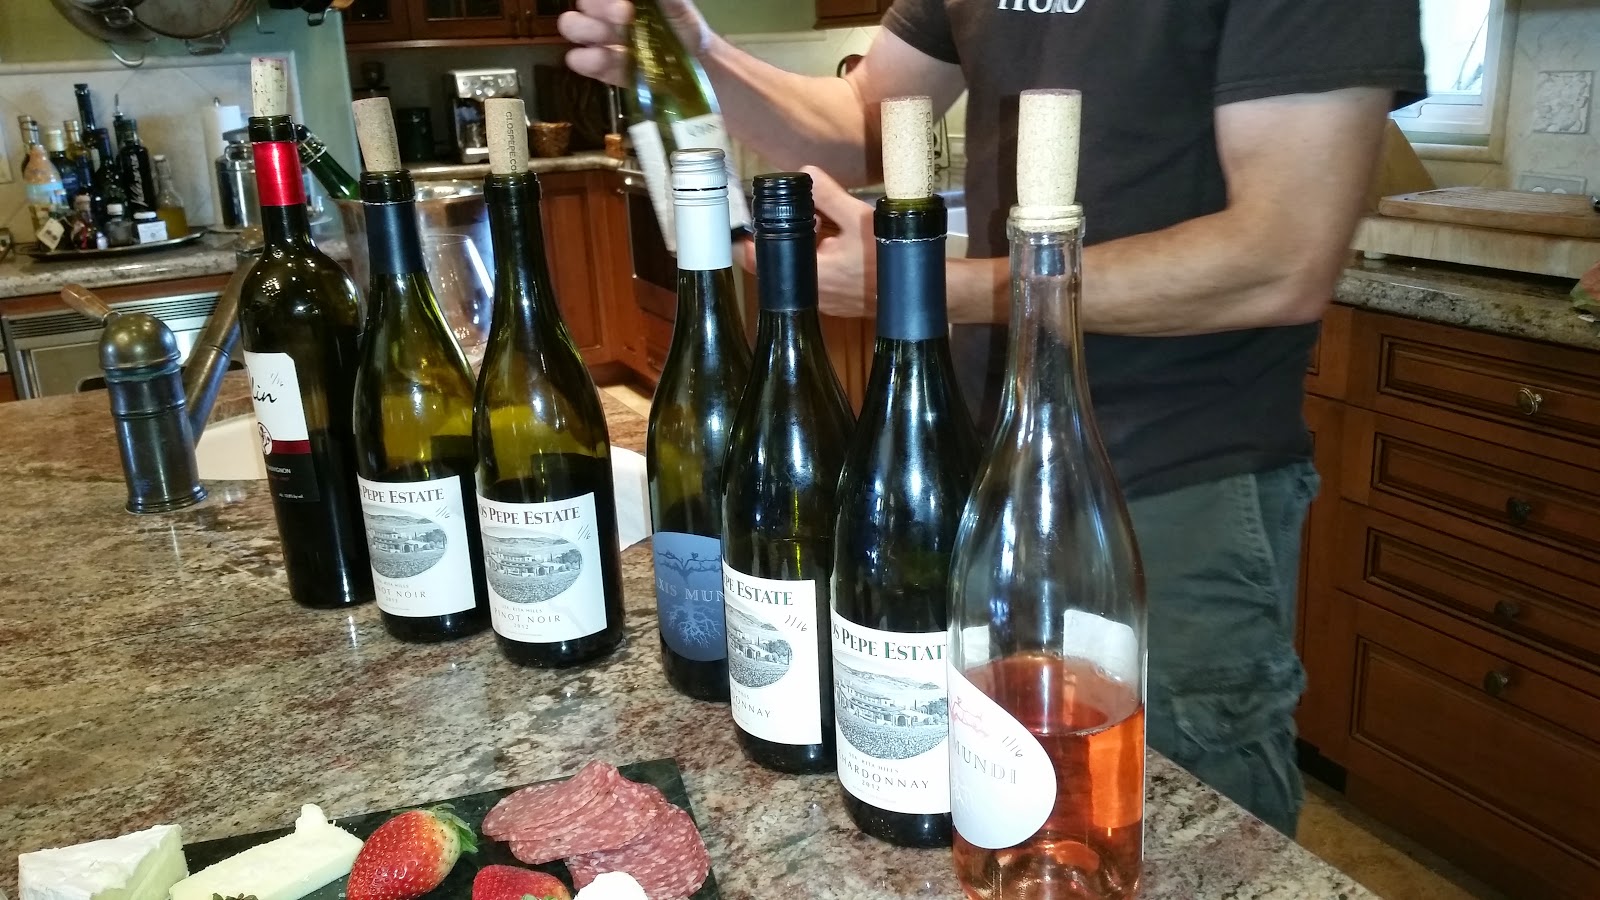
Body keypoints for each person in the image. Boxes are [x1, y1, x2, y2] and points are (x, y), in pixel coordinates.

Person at [561, 0, 1424, 836]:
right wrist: (701, 52)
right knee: (991, 798)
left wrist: (930, 285)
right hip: (984, 462)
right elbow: (866, 117)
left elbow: (1282, 256)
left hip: (1171, 478)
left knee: (1170, 826)